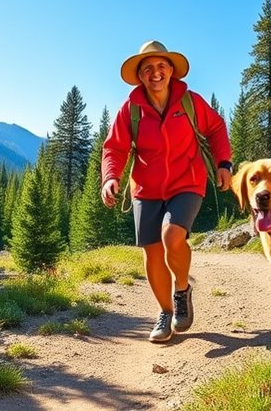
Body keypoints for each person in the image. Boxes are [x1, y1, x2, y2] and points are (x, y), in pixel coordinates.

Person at [101, 40, 232, 343]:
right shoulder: (131, 109)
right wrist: (110, 178)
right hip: (145, 187)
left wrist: (223, 162)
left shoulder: (190, 102)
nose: (155, 73)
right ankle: (164, 312)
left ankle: (181, 290)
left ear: (171, 70)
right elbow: (114, 147)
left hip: (187, 181)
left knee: (172, 236)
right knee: (152, 251)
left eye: (161, 66)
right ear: (140, 75)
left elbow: (216, 128)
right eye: (148, 68)